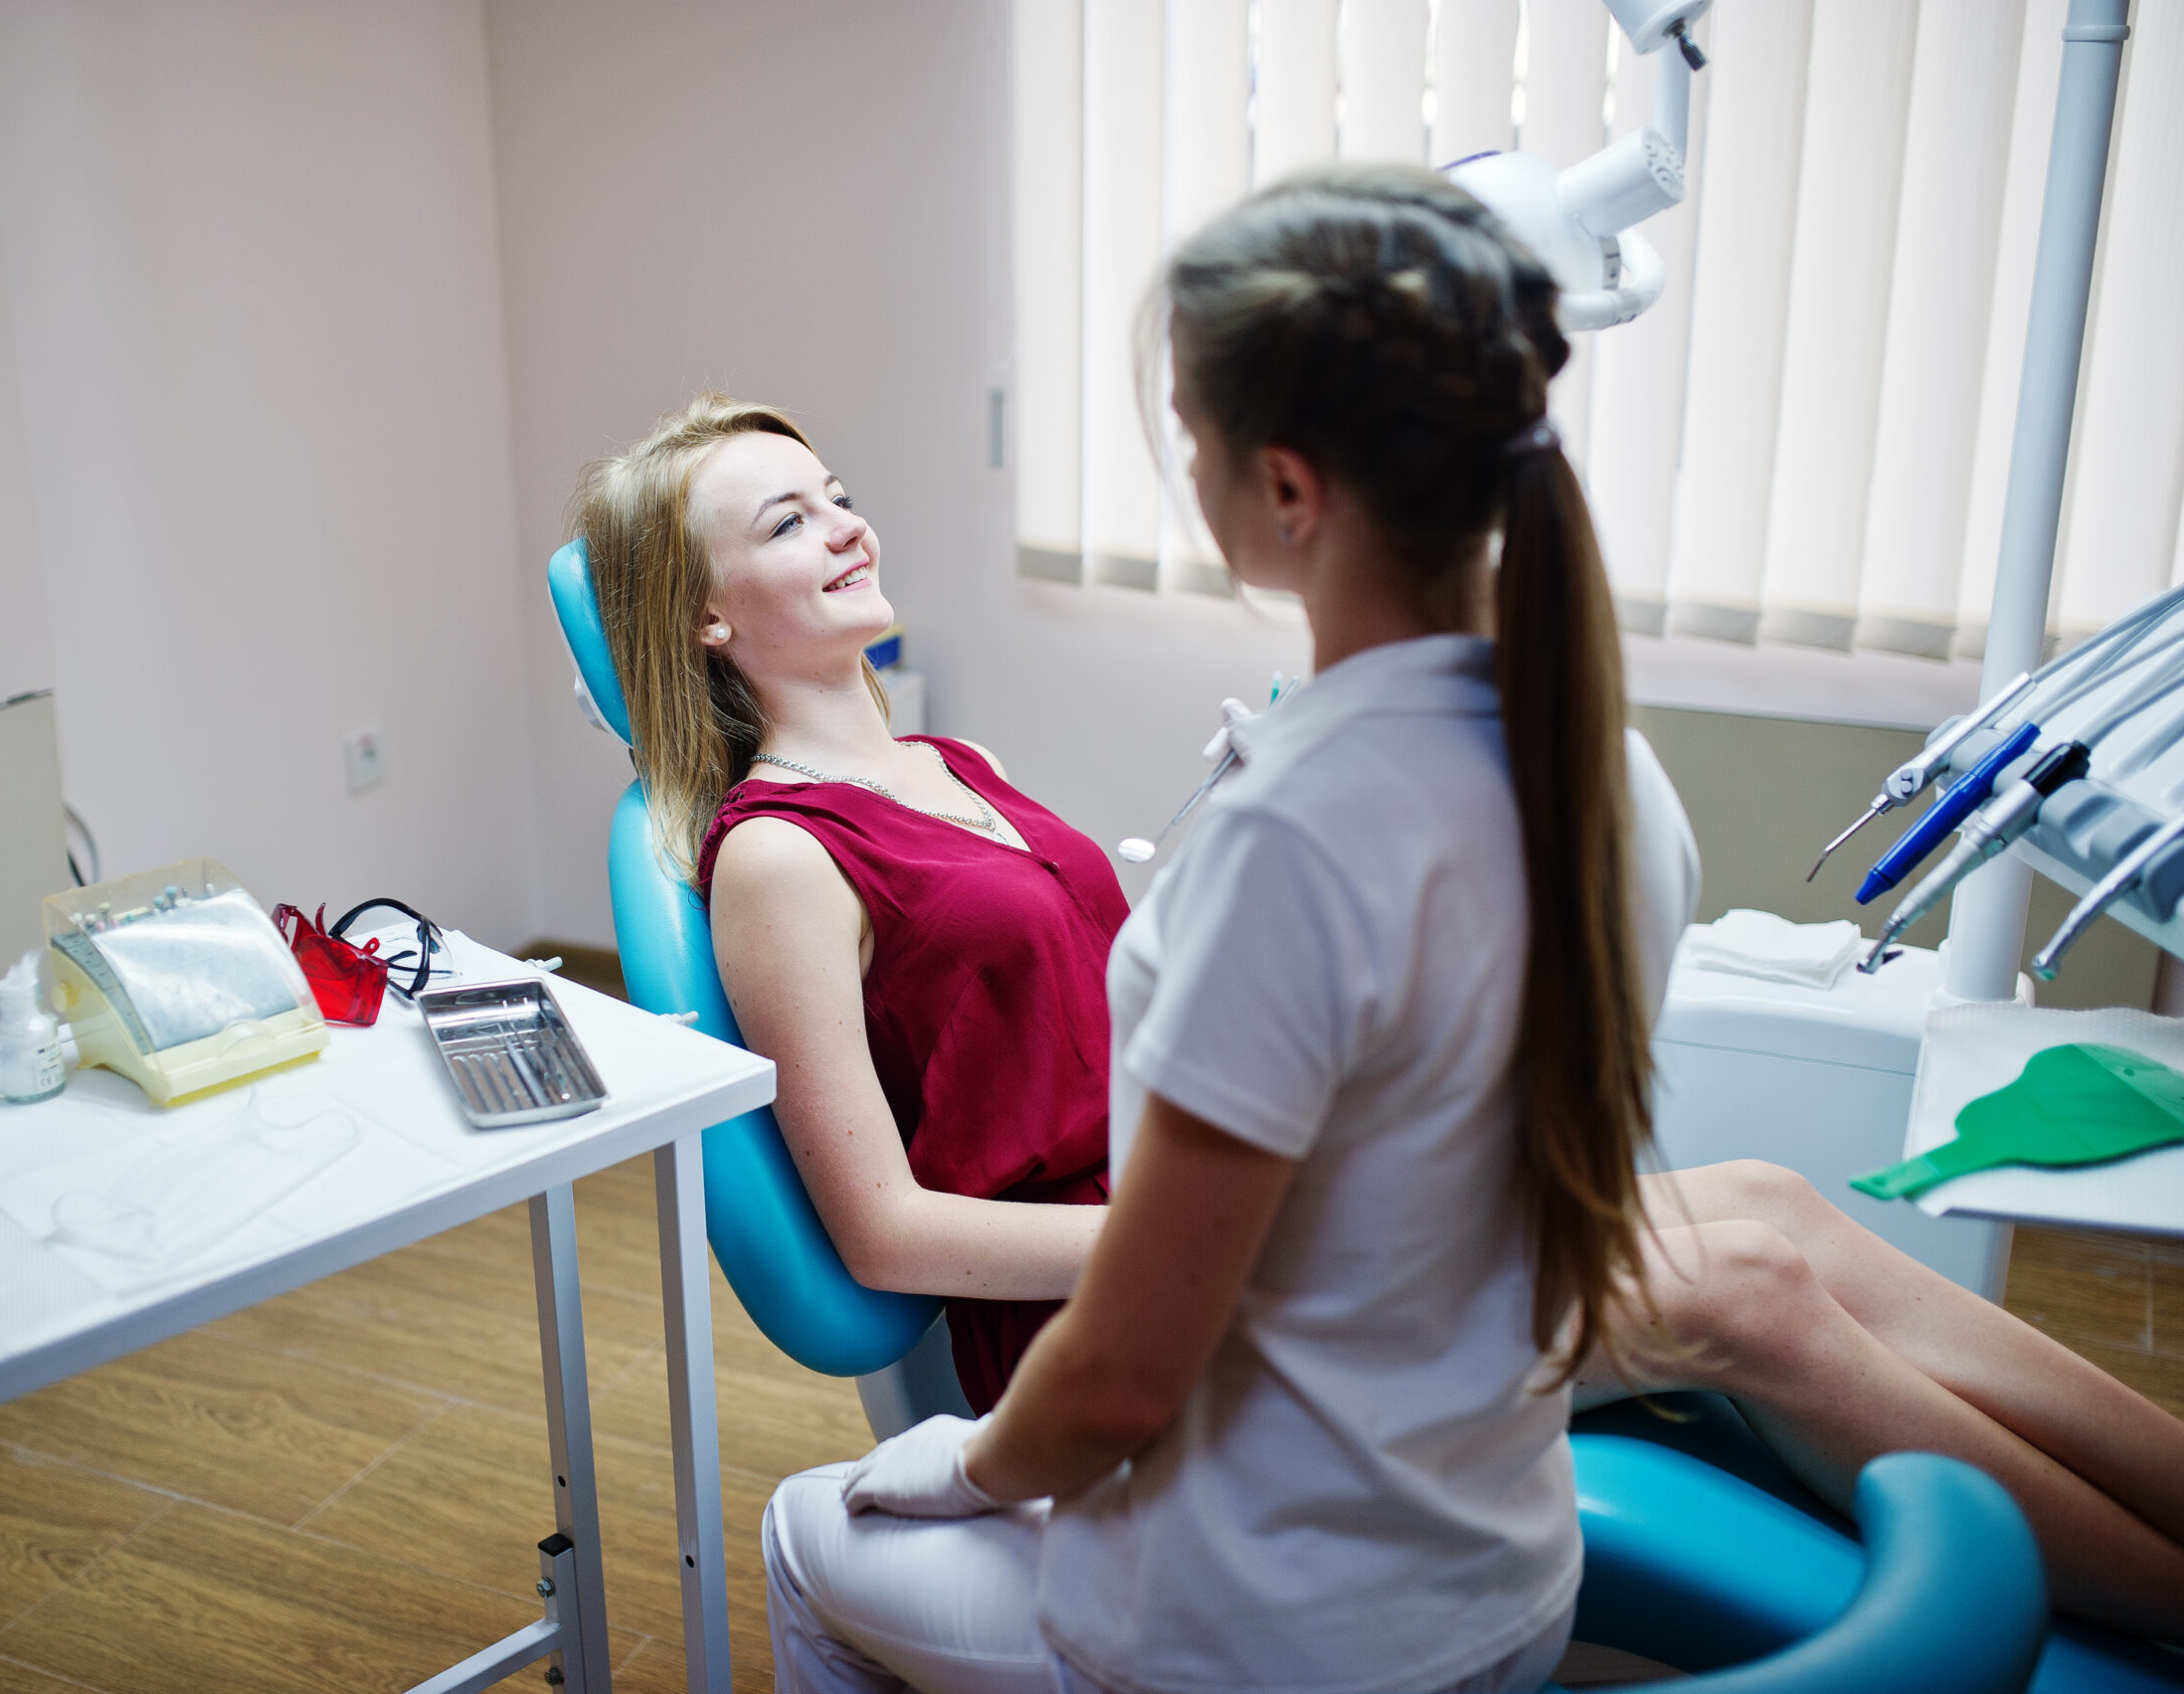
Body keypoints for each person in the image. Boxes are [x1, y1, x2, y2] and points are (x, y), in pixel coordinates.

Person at [744, 164, 2184, 1694]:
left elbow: (1118, 1382)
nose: (1186, 468)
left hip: (1265, 1618)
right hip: (1502, 1570)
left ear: (1288, 490)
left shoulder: (1288, 849)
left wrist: (973, 1461)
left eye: (1192, 436)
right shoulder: (1601, 760)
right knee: (1749, 1235)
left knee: (799, 1534)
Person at [577, 395, 1122, 1412]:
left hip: (1185, 1195)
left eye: (839, 497)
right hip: (1090, 1314)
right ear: (706, 613)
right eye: (788, 522)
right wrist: (1191, 1236)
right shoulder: (779, 854)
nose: (847, 527)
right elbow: (884, 1233)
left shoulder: (959, 765)